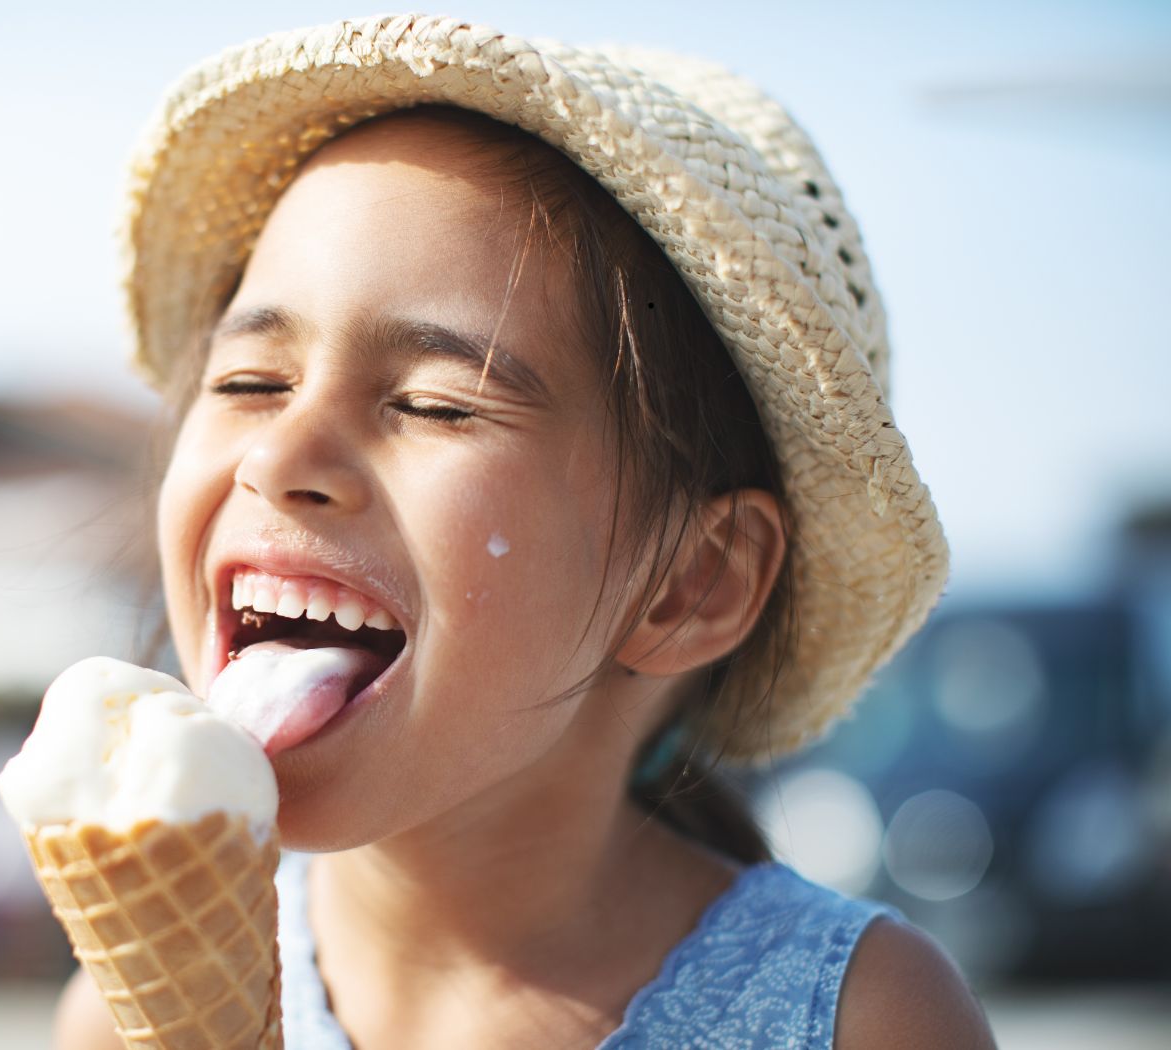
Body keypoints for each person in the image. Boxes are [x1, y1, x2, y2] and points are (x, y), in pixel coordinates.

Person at [58, 14, 996, 1049]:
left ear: (693, 581)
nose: (278, 459)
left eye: (434, 404)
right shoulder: (119, 1016)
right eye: (250, 382)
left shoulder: (865, 1016)